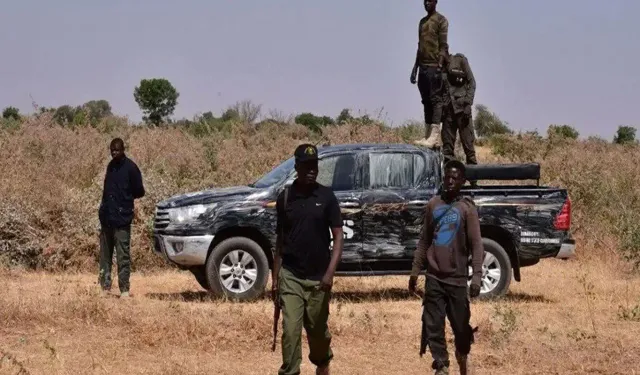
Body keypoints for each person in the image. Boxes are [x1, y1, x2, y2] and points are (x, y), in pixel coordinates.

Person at [272, 143, 344, 375]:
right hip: (291, 275)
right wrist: (275, 279)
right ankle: (290, 370)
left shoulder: (326, 197)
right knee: (291, 331)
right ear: (296, 167)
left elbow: (338, 237)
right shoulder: (285, 198)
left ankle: (323, 362)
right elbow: (280, 241)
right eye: (306, 166)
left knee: (317, 332)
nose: (311, 170)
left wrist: (330, 274)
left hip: (318, 278)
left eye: (314, 166)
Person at [408, 160, 483, 375]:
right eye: (447, 177)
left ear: (462, 181)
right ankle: (441, 364)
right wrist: (415, 271)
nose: (450, 181)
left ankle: (462, 352)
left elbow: (477, 245)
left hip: (457, 279)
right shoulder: (434, 204)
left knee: (461, 328)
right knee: (433, 325)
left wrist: (476, 277)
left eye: (455, 178)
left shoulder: (467, 209)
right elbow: (425, 240)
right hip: (435, 277)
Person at [98, 138, 145, 298]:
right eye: (112, 150)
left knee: (123, 256)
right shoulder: (110, 166)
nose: (114, 153)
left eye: (117, 150)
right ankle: (104, 287)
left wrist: (125, 199)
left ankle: (124, 289)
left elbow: (140, 191)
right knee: (105, 256)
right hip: (107, 218)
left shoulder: (131, 168)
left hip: (122, 219)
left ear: (123, 150)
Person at [410, 0, 449, 149]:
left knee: (436, 100)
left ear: (436, 2)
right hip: (423, 67)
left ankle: (434, 136)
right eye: (424, 1)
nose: (427, 3)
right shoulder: (422, 22)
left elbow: (443, 46)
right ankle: (427, 134)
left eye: (430, 1)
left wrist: (440, 66)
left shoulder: (441, 20)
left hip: (434, 66)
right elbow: (419, 46)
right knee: (426, 101)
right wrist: (415, 68)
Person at [442, 52, 478, 165]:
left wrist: (468, 104)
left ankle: (473, 181)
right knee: (447, 151)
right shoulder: (439, 68)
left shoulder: (460, 60)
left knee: (469, 149)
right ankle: (450, 180)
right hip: (448, 113)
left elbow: (472, 83)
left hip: (463, 112)